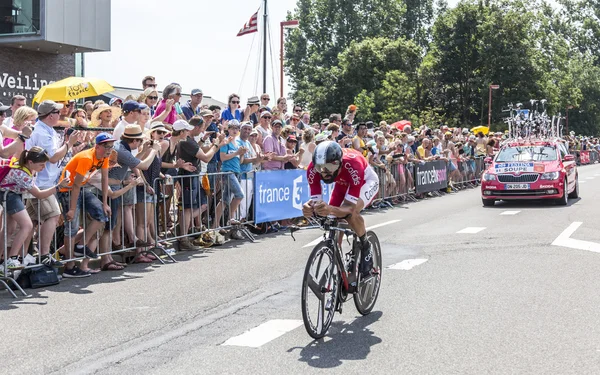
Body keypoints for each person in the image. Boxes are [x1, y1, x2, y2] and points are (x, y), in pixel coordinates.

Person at [302, 141, 379, 278]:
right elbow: (316, 202)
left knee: (350, 214)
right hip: (342, 183)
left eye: (329, 167)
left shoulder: (353, 165)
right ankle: (338, 267)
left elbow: (349, 208)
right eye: (320, 167)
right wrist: (310, 208)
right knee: (333, 221)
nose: (324, 172)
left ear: (339, 162)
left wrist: (331, 209)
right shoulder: (313, 169)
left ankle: (366, 248)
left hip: (365, 181)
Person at [0, 147, 70, 270]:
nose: (43, 167)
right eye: (41, 165)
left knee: (9, 230)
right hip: (10, 196)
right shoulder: (22, 174)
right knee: (27, 225)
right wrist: (58, 187)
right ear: (31, 162)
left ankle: (3, 259)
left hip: (10, 195)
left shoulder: (26, 168)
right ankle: (12, 259)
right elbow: (39, 194)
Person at [56, 133, 114, 278]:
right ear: (97, 146)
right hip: (68, 190)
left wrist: (105, 203)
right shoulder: (86, 158)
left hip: (80, 188)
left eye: (111, 147)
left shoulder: (105, 157)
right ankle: (69, 267)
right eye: (106, 146)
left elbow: (105, 180)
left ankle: (80, 246)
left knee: (102, 214)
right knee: (72, 228)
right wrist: (72, 209)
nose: (109, 150)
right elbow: (75, 185)